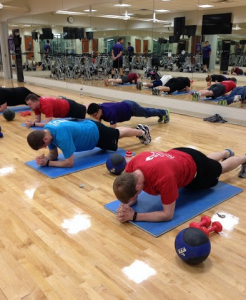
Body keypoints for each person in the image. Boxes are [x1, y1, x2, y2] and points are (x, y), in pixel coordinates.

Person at [113, 148, 246, 223]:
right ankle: (225, 152)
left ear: (137, 188)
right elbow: (134, 197)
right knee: (208, 161)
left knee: (222, 167)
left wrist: (134, 216)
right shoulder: (132, 166)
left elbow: (167, 214)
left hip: (196, 170)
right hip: (179, 153)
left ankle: (243, 157)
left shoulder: (163, 178)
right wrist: (125, 205)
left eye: (134, 195)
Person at [27, 119, 151, 168]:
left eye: (44, 146)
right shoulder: (47, 130)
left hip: (95, 134)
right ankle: (139, 130)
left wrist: (48, 163)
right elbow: (53, 154)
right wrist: (45, 159)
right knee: (116, 132)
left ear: (44, 139)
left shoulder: (61, 136)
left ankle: (142, 132)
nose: (46, 147)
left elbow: (69, 163)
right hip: (88, 126)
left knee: (118, 134)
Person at [87, 100, 170, 127]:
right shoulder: (100, 108)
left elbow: (113, 128)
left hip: (131, 107)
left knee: (147, 113)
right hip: (126, 105)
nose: (95, 117)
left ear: (99, 111)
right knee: (146, 111)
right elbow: (99, 121)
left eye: (95, 115)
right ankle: (161, 113)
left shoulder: (111, 113)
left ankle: (164, 112)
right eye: (92, 116)